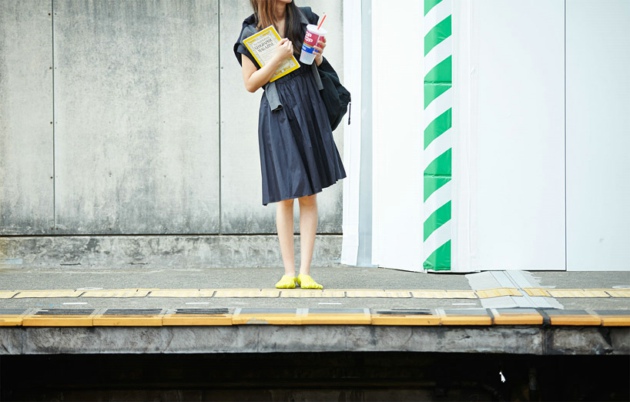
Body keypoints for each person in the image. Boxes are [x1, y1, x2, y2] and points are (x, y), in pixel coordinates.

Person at [234, 0, 346, 290]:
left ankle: (305, 272)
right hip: (279, 111)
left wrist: (318, 54)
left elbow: (315, 65)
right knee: (285, 195)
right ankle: (288, 272)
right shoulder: (251, 31)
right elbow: (250, 84)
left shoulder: (305, 18)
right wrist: (276, 58)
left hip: (308, 106)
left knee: (308, 194)